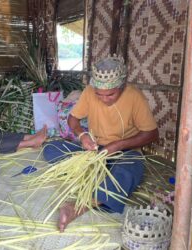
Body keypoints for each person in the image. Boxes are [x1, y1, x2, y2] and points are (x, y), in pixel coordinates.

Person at [42, 55, 159, 232]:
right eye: (99, 94)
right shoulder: (89, 92)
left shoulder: (134, 96)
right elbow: (73, 119)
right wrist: (82, 136)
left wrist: (118, 145)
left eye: (110, 94)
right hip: (95, 151)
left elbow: (152, 134)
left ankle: (80, 206)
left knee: (131, 169)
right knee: (52, 148)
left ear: (122, 86)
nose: (104, 99)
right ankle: (94, 177)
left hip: (124, 153)